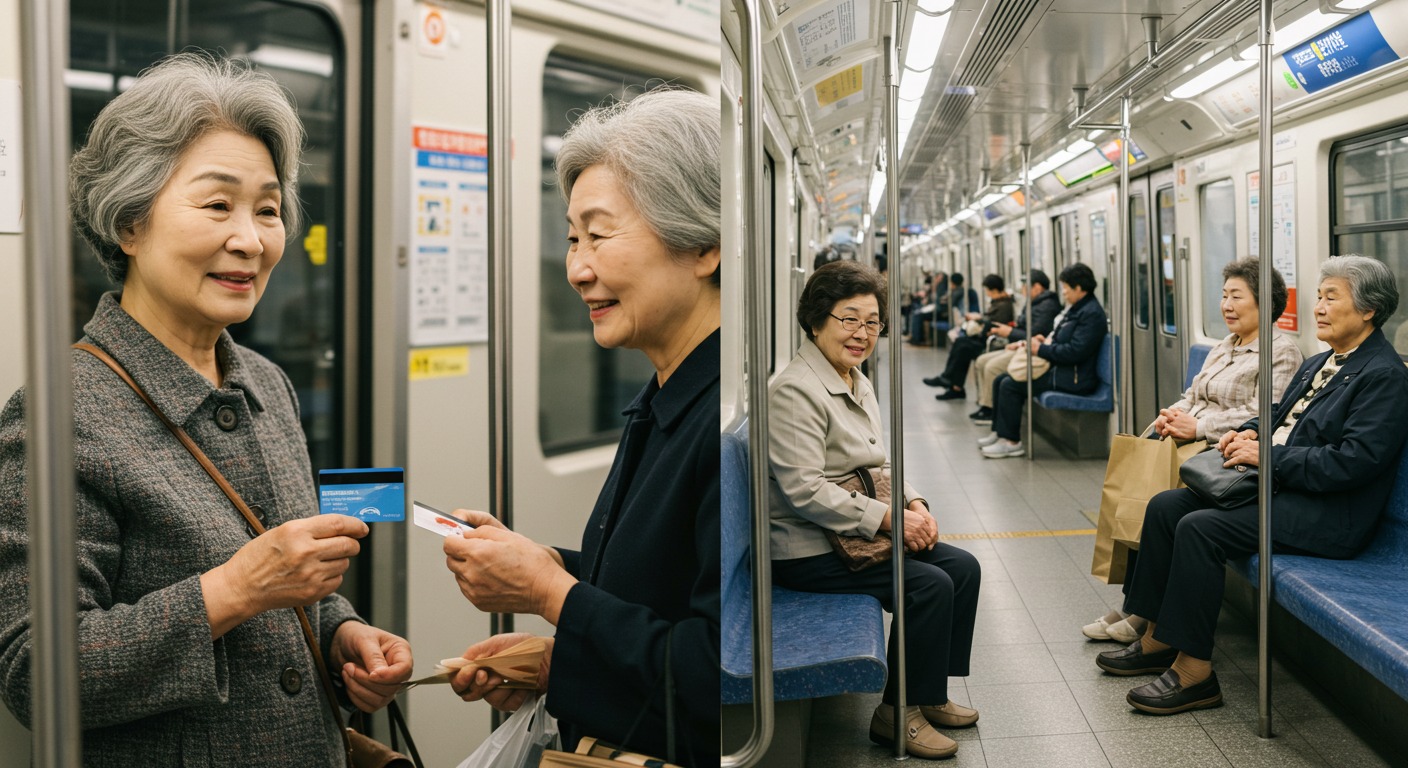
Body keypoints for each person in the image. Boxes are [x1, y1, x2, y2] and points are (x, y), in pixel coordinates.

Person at [0, 54, 411, 765]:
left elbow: (286, 586)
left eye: (268, 210)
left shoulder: (265, 384)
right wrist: (232, 590)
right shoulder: (61, 415)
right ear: (129, 223)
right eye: (218, 205)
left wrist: (340, 634)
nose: (250, 240)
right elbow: (35, 671)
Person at [441, 89, 720, 767]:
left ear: (704, 246)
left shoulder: (730, 426)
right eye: (572, 238)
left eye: (599, 235)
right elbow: (658, 590)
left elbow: (716, 676)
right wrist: (552, 639)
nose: (577, 268)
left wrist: (548, 592)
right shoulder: (664, 398)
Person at [1097, 255, 1408, 714]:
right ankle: (1158, 637)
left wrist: (1269, 456)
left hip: (1331, 514)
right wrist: (1248, 432)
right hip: (1289, 488)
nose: (1318, 308)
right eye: (1318, 297)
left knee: (1200, 528)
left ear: (1368, 309)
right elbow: (1278, 416)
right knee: (1166, 507)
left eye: (1331, 297)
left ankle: (1194, 673)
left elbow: (1353, 462)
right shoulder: (1322, 361)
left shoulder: (1384, 376)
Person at [768, 260, 981, 760]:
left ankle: (928, 694)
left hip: (850, 534)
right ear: (816, 320)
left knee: (963, 568)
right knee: (928, 585)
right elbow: (804, 491)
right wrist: (889, 520)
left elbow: (879, 463)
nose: (862, 334)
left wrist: (913, 503)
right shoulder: (795, 391)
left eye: (872, 322)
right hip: (806, 547)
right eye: (849, 319)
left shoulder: (853, 378)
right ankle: (896, 714)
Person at [1083, 257, 1303, 643]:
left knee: (1159, 502)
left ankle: (1141, 612)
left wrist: (1198, 427)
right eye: (1224, 296)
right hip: (1190, 441)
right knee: (1141, 498)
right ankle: (1135, 605)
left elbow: (1264, 414)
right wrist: (1172, 416)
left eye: (1237, 296)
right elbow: (1193, 395)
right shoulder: (1225, 345)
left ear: (1265, 302)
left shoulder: (1280, 352)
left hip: (1222, 452)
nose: (1227, 305)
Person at [979, 263, 1107, 458]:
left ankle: (1011, 442)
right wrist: (1043, 341)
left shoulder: (1091, 314)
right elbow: (1062, 339)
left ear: (1079, 288)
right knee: (1000, 379)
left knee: (1009, 385)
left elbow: (1075, 352)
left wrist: (1041, 349)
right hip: (1063, 369)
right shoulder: (1077, 309)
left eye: (1066, 287)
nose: (1064, 292)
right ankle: (1000, 433)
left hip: (1075, 378)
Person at [968, 270, 1060, 425]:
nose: (1023, 289)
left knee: (992, 367)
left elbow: (1035, 333)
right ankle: (986, 404)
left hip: (1033, 350)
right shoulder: (1034, 303)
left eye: (1025, 285)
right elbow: (1024, 328)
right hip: (1022, 345)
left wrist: (1010, 332)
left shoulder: (1047, 306)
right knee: (982, 360)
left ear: (1037, 287)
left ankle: (991, 410)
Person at [925, 273, 1015, 400]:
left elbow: (995, 325)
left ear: (994, 290)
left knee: (963, 347)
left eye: (988, 290)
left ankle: (952, 383)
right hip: (985, 337)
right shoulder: (998, 303)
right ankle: (952, 384)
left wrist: (979, 320)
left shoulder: (1004, 306)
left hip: (993, 341)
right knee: (960, 342)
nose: (987, 294)